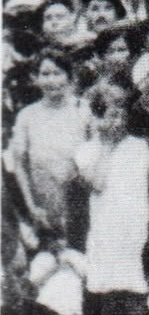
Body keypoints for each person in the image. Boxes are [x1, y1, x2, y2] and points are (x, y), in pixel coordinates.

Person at [73, 73, 149, 315]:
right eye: (110, 113)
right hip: (107, 242)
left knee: (136, 302)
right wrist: (106, 143)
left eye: (122, 112)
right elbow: (98, 182)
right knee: (109, 308)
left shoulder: (140, 147)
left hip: (135, 238)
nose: (117, 120)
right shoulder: (87, 152)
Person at [6, 46, 88, 241]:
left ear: (69, 76)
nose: (51, 80)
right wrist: (31, 206)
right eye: (45, 74)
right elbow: (20, 166)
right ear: (36, 79)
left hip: (80, 204)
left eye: (57, 73)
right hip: (42, 203)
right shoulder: (27, 116)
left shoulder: (83, 109)